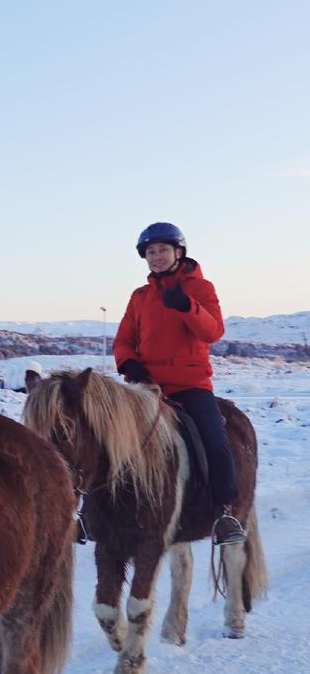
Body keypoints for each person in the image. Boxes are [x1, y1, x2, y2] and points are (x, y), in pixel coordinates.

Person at [113, 222, 246, 545]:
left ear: (178, 252)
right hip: (148, 385)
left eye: (162, 250)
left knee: (213, 438)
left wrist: (187, 306)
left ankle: (225, 512)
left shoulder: (201, 289)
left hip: (190, 383)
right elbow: (124, 338)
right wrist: (128, 363)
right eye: (150, 252)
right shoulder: (140, 296)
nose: (156, 257)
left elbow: (212, 332)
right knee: (110, 436)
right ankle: (99, 512)